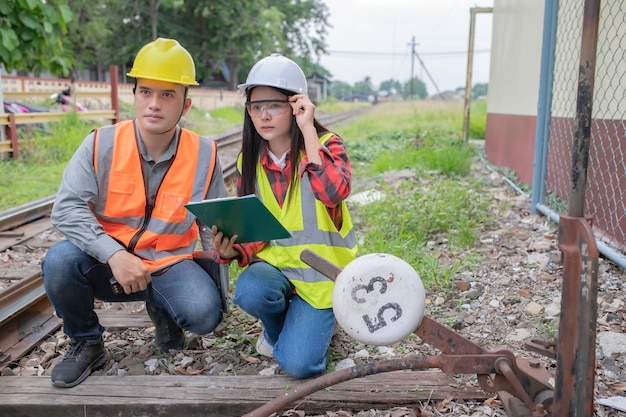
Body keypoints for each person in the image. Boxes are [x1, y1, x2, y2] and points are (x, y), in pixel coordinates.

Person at [42, 38, 227, 388]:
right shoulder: (101, 143)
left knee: (204, 314)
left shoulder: (205, 153)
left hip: (170, 262)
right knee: (59, 261)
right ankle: (87, 343)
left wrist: (222, 255)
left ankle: (166, 314)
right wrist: (113, 254)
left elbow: (213, 221)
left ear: (185, 105)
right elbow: (65, 209)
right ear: (135, 94)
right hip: (107, 262)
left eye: (167, 95)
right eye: (145, 92)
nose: (154, 104)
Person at [211, 53, 358, 379]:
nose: (263, 115)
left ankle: (315, 326)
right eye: (255, 107)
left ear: (297, 105)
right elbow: (257, 229)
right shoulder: (247, 162)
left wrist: (308, 133)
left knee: (299, 365)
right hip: (277, 272)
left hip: (323, 279)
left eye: (274, 105)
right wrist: (232, 249)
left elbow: (333, 192)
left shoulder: (327, 145)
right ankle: (293, 328)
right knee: (250, 290)